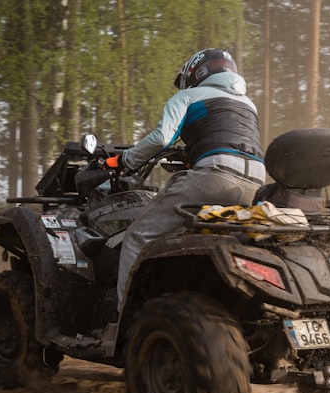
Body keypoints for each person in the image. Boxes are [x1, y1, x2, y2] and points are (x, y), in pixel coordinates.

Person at [106, 48, 264, 309]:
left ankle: (124, 320)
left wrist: (125, 160)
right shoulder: (248, 104)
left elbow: (160, 138)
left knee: (136, 237)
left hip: (216, 175)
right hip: (255, 182)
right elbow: (227, 137)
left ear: (194, 74)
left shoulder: (187, 96)